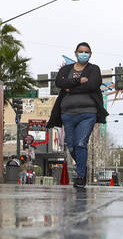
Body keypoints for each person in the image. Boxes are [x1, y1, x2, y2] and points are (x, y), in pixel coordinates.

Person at [46, 42, 109, 189]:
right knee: (71, 145)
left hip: (88, 113)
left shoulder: (94, 69)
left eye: (86, 52)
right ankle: (82, 165)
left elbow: (93, 85)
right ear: (75, 53)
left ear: (90, 54)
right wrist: (78, 81)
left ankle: (80, 176)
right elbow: (59, 82)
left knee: (81, 143)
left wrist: (71, 89)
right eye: (81, 51)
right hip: (67, 114)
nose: (83, 54)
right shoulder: (66, 69)